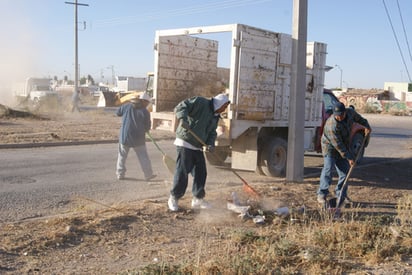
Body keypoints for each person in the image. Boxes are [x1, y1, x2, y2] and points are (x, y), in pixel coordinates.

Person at [167, 93, 230, 211]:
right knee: (183, 172)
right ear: (219, 103)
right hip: (185, 141)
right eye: (225, 106)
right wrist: (183, 118)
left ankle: (198, 199)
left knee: (201, 173)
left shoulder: (215, 116)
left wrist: (210, 144)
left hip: (197, 146)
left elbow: (212, 132)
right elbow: (181, 106)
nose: (225, 109)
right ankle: (174, 198)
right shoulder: (200, 102)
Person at [317, 102, 371, 206]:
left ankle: (341, 194)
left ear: (345, 112)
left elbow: (361, 120)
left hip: (343, 145)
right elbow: (338, 146)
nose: (339, 117)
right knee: (328, 170)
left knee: (345, 172)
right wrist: (349, 158)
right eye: (337, 115)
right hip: (330, 148)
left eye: (341, 115)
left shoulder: (350, 113)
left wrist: (367, 127)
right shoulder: (331, 125)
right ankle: (322, 194)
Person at [116, 92, 156, 181]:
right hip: (138, 138)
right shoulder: (145, 112)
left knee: (122, 156)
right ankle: (148, 174)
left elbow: (118, 113)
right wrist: (146, 129)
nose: (148, 104)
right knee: (143, 156)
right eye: (147, 103)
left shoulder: (126, 106)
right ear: (143, 101)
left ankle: (120, 174)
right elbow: (147, 126)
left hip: (125, 136)